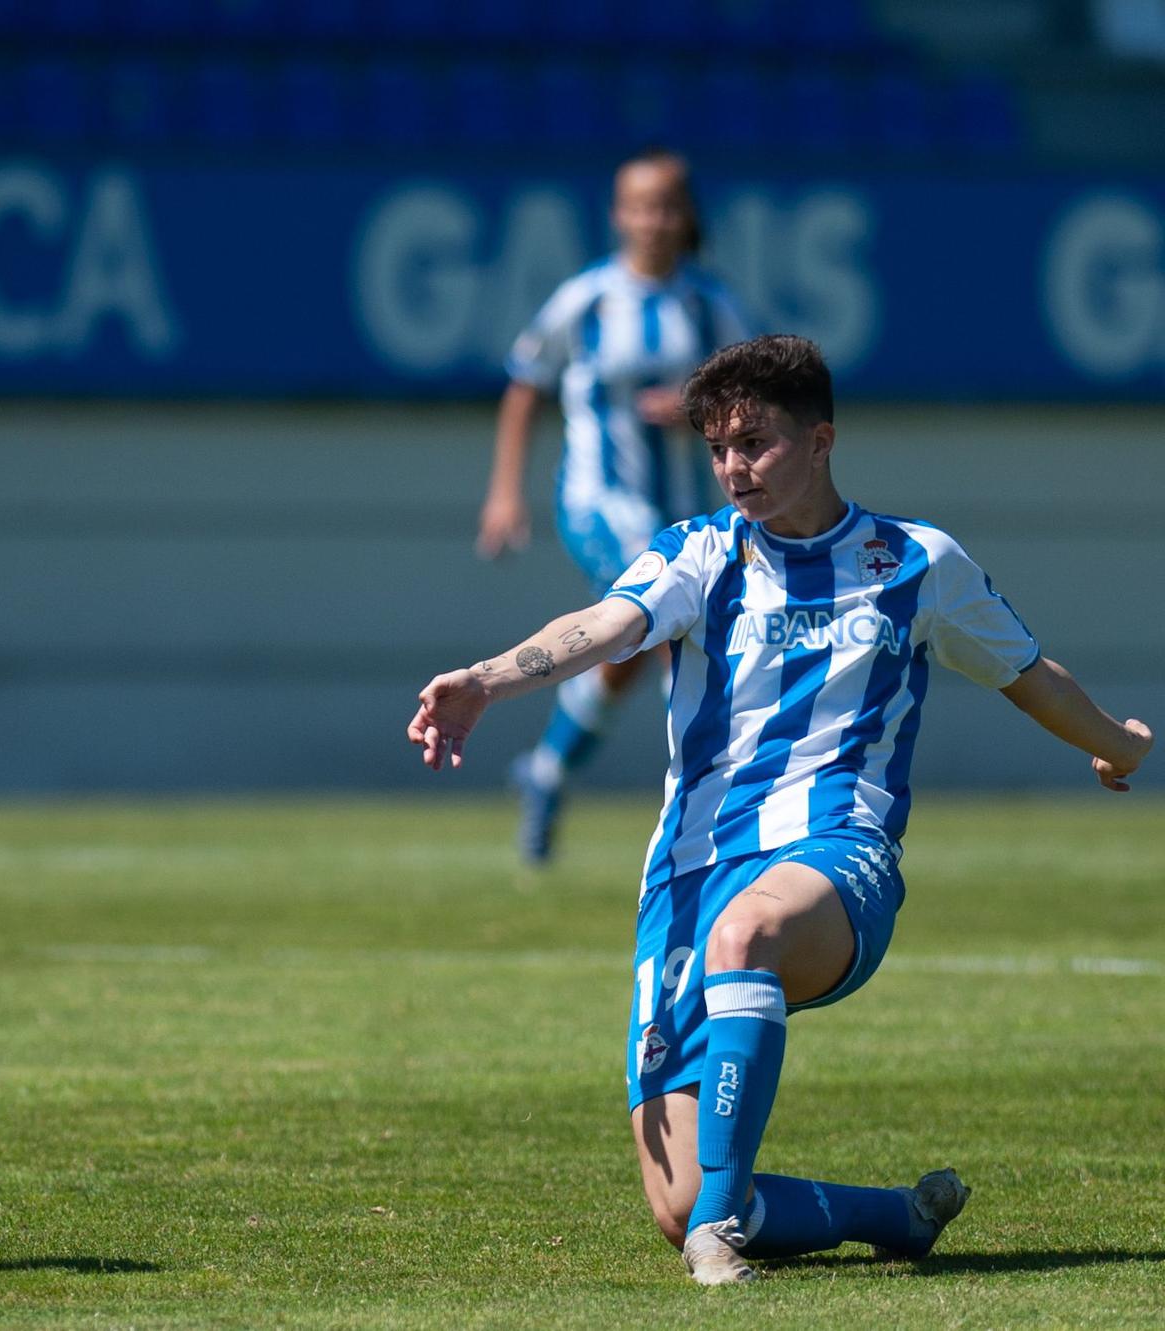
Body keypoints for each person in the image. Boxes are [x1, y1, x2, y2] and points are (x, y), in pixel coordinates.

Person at [412, 335, 1150, 1284]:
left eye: (754, 443)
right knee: (674, 1203)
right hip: (689, 866)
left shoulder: (916, 562)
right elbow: (600, 626)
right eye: (718, 448)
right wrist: (484, 678)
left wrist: (1115, 742)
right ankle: (887, 1218)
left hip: (841, 852)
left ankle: (723, 1236)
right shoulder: (697, 552)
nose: (732, 467)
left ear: (821, 440)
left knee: (748, 931)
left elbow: (1027, 673)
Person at [478, 149, 752, 863]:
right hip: (598, 501)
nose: (652, 219)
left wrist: (698, 407)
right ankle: (710, 814)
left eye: (666, 205)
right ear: (617, 214)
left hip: (684, 511)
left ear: (685, 214)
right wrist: (506, 492)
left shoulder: (709, 305)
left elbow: (754, 401)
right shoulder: (586, 299)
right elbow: (524, 385)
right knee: (671, 633)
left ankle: (546, 770)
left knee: (632, 646)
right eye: (639, 204)